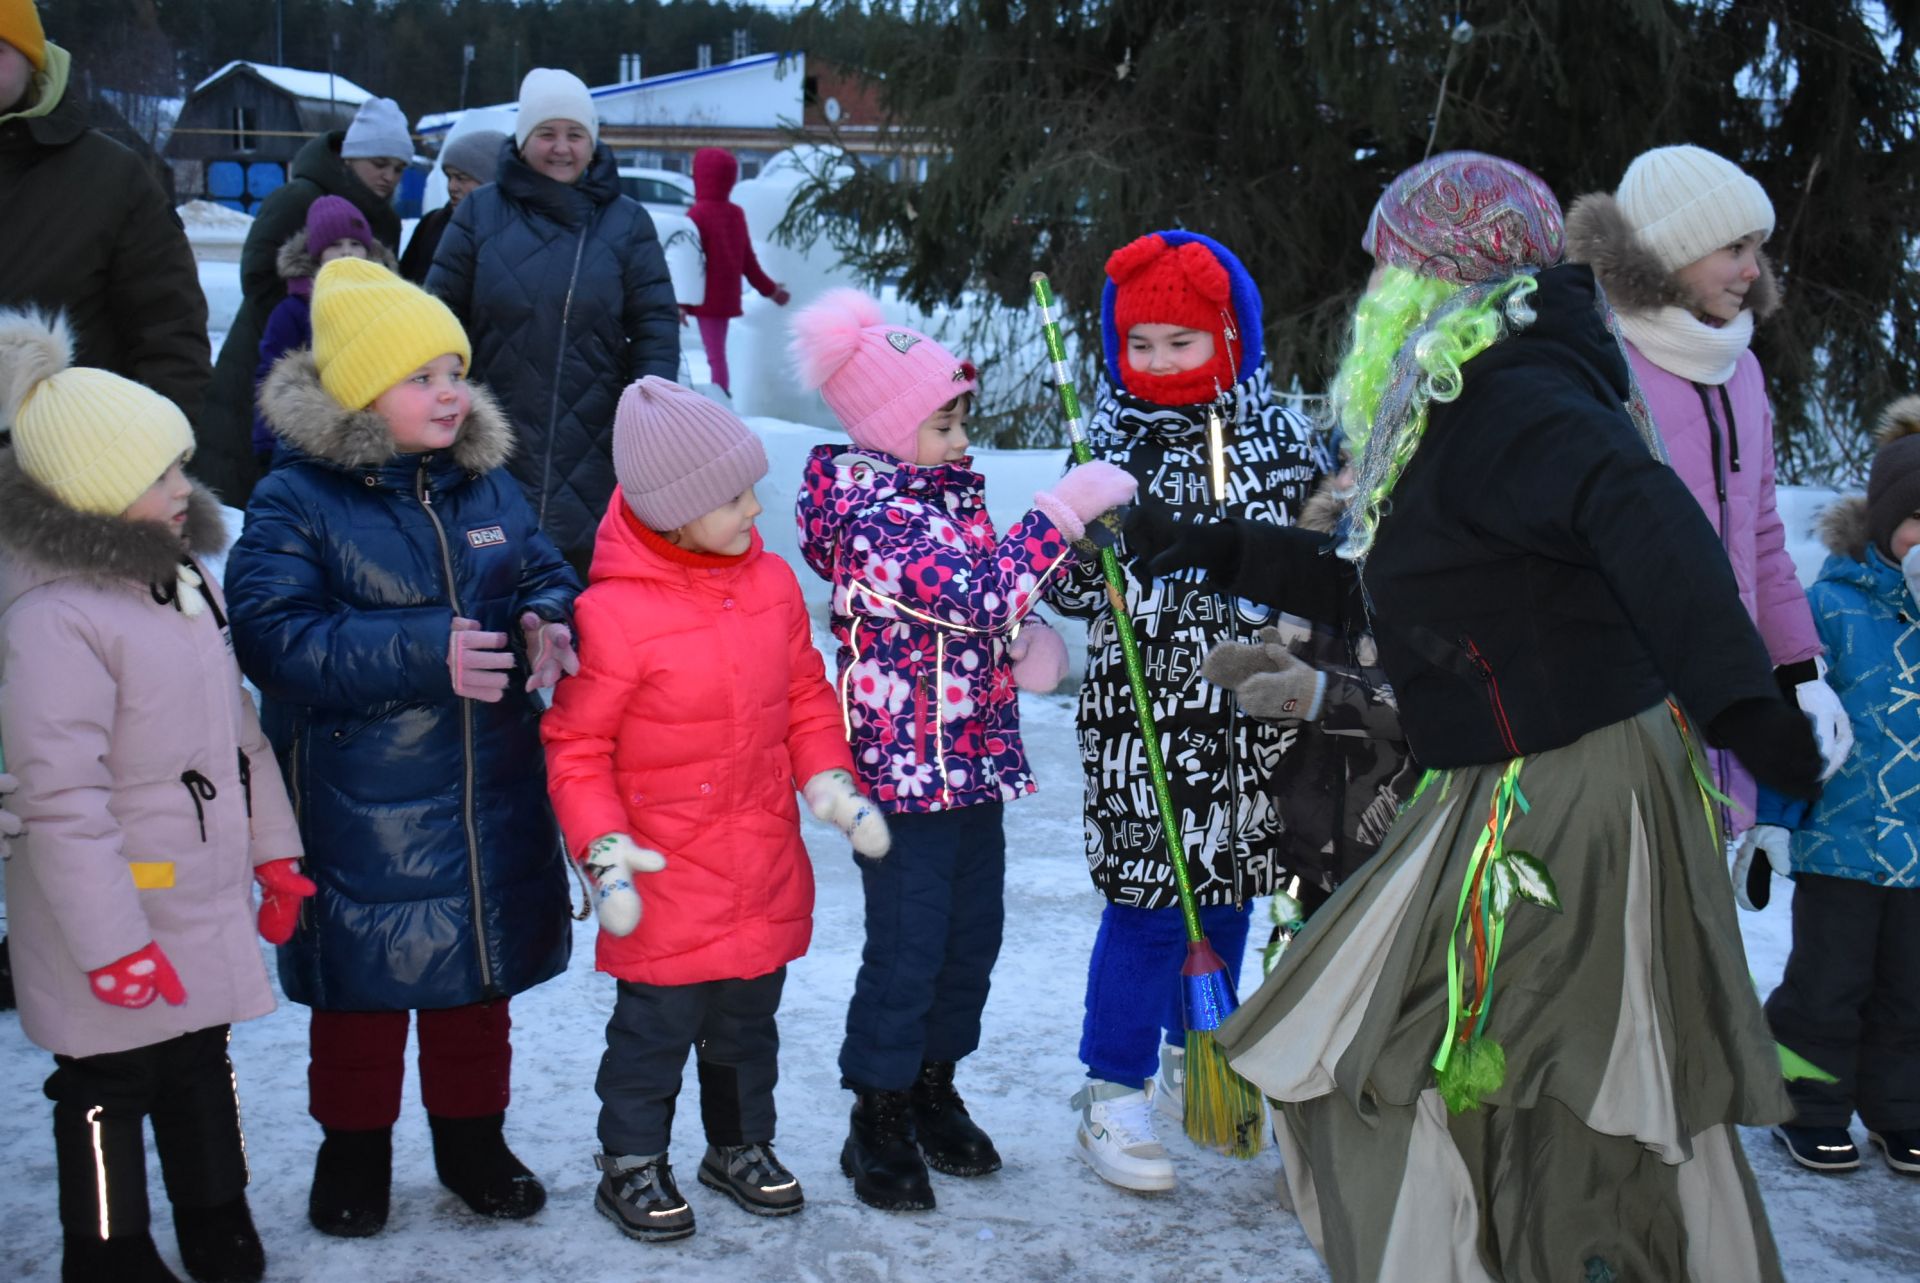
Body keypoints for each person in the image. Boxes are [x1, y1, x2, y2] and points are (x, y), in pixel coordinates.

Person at [1131, 152, 1819, 1281]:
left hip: (1570, 793)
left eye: (1391, 261)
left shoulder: (1521, 396)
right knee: (1487, 1064)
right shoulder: (1468, 388)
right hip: (1502, 781)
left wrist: (1749, 701)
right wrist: (1219, 548)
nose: (1374, 286)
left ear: (1445, 267)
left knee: (1462, 1054)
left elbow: (1653, 522)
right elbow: (1398, 583)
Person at [223, 258, 581, 1239]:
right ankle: (354, 1152)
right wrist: (424, 651)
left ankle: (474, 1141)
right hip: (359, 805)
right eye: (420, 375)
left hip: (487, 790)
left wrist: (549, 618)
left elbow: (542, 566)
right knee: (364, 999)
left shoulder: (485, 482)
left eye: (454, 370)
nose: (449, 392)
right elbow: (272, 634)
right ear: (357, 391)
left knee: (476, 985)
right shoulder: (297, 499)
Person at [790, 289, 1135, 1211]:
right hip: (905, 776)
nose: (958, 438)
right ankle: (879, 1112)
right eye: (940, 423)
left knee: (969, 939)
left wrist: (1021, 642)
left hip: (971, 759)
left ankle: (934, 1084)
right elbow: (975, 592)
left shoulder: (941, 495)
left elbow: (982, 609)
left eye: (958, 420)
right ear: (885, 428)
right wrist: (1058, 515)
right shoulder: (875, 512)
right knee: (908, 947)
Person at [0, 308, 310, 1283]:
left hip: (195, 887)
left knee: (195, 1059)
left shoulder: (176, 585)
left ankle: (215, 1212)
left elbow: (240, 734)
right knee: (104, 1083)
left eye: (180, 467)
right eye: (158, 476)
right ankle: (109, 1245)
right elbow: (61, 800)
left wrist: (274, 850)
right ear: (87, 493)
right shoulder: (53, 619)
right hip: (111, 905)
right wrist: (110, 942)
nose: (185, 489)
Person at [542, 376, 888, 1242]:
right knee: (653, 1033)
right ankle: (630, 1160)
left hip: (758, 858)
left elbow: (806, 698)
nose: (752, 509)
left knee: (746, 1023)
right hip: (661, 875)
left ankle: (737, 1144)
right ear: (672, 511)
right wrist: (603, 849)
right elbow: (576, 749)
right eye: (732, 496)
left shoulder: (768, 585)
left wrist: (830, 781)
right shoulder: (611, 615)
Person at [1040, 229, 1332, 1193]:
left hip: (1256, 714)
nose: (1159, 362)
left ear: (1232, 341)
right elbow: (1060, 576)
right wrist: (1092, 576)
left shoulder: (1284, 440)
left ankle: (1192, 1050)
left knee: (1234, 888)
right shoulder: (1109, 444)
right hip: (1146, 721)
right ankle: (1111, 1088)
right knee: (1150, 901)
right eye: (1142, 343)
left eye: (1183, 342)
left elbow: (1329, 553)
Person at [1567, 144, 1848, 836]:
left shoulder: (1742, 371)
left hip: (1731, 707)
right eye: (1733, 247)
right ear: (1672, 249)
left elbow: (1762, 535)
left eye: (1756, 246)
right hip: (1625, 708)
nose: (1754, 269)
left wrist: (1798, 668)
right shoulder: (1599, 362)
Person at [1745, 396, 1920, 1177]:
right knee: (1827, 986)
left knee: (1909, 996)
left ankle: (1900, 1109)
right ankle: (1807, 1107)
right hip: (1841, 846)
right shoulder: (1831, 610)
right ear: (1884, 524)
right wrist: (1774, 821)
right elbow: (1793, 727)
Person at [428, 69, 679, 577]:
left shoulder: (627, 222)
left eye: (574, 134)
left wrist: (648, 411)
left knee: (584, 587)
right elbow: (437, 318)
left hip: (595, 436)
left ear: (592, 142)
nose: (560, 148)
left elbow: (654, 322)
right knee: (486, 576)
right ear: (523, 141)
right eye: (546, 133)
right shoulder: (480, 212)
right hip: (489, 433)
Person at [0, 1, 210, 423]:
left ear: (31, 57)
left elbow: (171, 345)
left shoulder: (112, 178)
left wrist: (149, 466)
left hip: (62, 473)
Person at [196, 96, 410, 506]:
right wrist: (316, 306)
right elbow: (257, 274)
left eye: (398, 169)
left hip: (331, 375)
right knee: (254, 489)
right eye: (379, 163)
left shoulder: (379, 215)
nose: (389, 177)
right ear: (351, 158)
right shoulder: (300, 197)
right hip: (269, 360)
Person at [248, 195, 387, 466]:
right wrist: (265, 438)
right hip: (312, 436)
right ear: (316, 254)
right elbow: (270, 374)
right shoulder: (294, 311)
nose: (347, 252)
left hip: (377, 431)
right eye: (334, 245)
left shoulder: (387, 302)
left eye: (356, 244)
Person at [682, 146, 789, 395]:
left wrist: (682, 303)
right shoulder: (735, 214)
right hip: (727, 296)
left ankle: (721, 398)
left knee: (713, 355)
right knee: (717, 353)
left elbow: (687, 262)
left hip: (704, 297)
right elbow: (747, 261)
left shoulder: (697, 214)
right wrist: (771, 291)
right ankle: (721, 395)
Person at [400, 129, 505, 285]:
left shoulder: (510, 231)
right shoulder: (432, 223)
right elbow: (404, 281)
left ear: (490, 181)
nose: (451, 187)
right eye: (449, 177)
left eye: (461, 178)